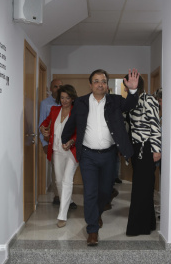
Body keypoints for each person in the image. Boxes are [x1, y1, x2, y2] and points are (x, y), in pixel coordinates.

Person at [61, 68, 139, 246]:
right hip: (87, 155)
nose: (100, 84)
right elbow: (72, 122)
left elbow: (130, 106)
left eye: (103, 81)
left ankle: (96, 215)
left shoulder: (115, 101)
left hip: (109, 155)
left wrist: (133, 91)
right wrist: (64, 139)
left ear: (107, 85)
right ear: (90, 85)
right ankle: (92, 230)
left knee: (104, 192)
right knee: (90, 192)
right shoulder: (80, 102)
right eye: (96, 81)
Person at [123, 74, 161, 236]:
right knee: (144, 188)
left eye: (128, 84)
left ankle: (138, 227)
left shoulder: (149, 100)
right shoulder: (130, 101)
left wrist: (157, 149)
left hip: (146, 149)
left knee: (141, 189)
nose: (126, 87)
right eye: (125, 84)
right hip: (135, 149)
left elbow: (155, 125)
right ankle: (149, 224)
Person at [40, 85, 78, 228]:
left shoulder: (76, 111)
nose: (64, 100)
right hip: (57, 150)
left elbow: (80, 130)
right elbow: (44, 124)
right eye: (62, 97)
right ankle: (67, 204)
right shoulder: (54, 110)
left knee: (67, 180)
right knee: (58, 181)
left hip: (71, 151)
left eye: (67, 98)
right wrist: (43, 130)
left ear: (72, 98)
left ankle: (62, 215)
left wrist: (72, 141)